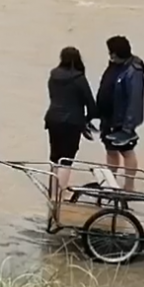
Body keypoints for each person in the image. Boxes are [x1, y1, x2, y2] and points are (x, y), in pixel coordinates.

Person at [44, 47, 97, 200]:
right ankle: (61, 194)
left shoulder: (53, 76)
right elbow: (91, 105)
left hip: (53, 118)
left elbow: (53, 96)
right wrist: (87, 119)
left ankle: (52, 192)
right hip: (72, 122)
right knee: (66, 159)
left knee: (55, 157)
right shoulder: (79, 79)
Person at [97, 36, 144, 192]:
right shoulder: (114, 66)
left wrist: (128, 125)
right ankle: (111, 183)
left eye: (112, 53)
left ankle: (129, 187)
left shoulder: (134, 70)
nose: (110, 56)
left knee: (127, 150)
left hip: (122, 119)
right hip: (109, 117)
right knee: (111, 150)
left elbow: (135, 99)